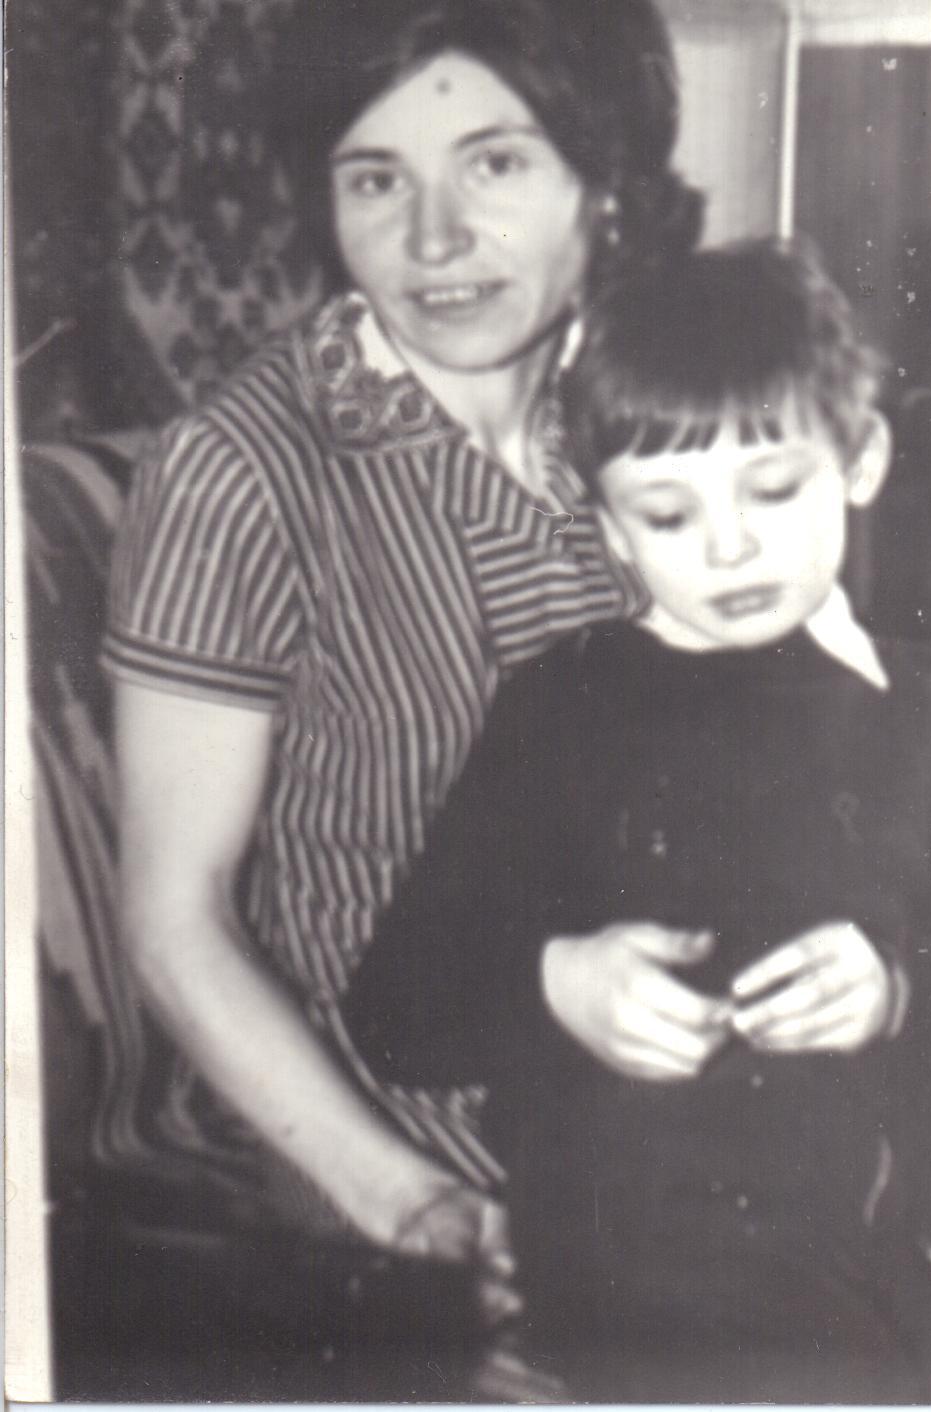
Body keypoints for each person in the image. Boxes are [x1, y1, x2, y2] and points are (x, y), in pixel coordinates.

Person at [345, 242, 931, 1402]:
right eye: (668, 514)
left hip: (859, 1246)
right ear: (612, 529)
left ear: (861, 459)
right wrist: (557, 982)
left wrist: (896, 988)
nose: (729, 545)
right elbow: (395, 1004)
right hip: (627, 1263)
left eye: (773, 491)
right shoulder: (559, 703)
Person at [102, 0, 714, 1288]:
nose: (433, 240)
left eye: (494, 163)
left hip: (688, 1069)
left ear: (602, 180)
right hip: (417, 1119)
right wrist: (406, 1199)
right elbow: (174, 920)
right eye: (373, 178)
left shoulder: (656, 408)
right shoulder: (241, 470)